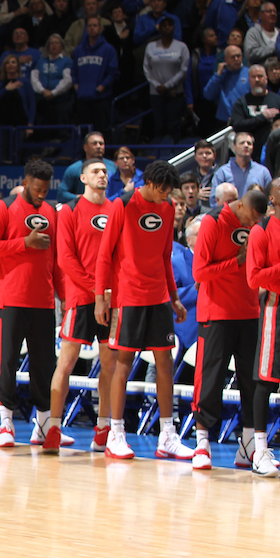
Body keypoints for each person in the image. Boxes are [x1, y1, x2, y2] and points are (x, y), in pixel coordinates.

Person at [94, 160, 192, 461]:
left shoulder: (166, 209)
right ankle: (117, 434)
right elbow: (104, 254)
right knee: (123, 362)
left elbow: (165, 256)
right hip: (129, 296)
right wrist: (100, 298)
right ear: (148, 183)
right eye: (162, 190)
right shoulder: (123, 204)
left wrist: (174, 297)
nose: (166, 196)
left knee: (166, 360)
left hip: (159, 296)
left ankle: (167, 435)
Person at [0, 159, 59, 448]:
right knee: (8, 361)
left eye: (46, 190)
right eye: (37, 189)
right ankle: (6, 423)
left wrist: (64, 295)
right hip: (12, 299)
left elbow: (57, 259)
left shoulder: (51, 211)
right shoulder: (4, 208)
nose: (41, 195)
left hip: (45, 301)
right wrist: (24, 242)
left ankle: (43, 424)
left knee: (44, 365)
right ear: (25, 183)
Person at [190, 190, 266, 471]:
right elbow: (199, 273)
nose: (253, 223)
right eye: (250, 217)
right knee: (210, 380)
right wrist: (237, 261)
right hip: (216, 313)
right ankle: (202, 442)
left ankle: (248, 445)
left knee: (251, 382)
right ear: (240, 204)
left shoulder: (256, 225)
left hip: (250, 313)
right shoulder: (214, 221)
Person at [49, 158, 118, 453]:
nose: (102, 175)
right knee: (66, 362)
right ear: (83, 179)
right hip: (81, 298)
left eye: (104, 172)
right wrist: (95, 289)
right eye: (96, 172)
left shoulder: (116, 208)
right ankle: (53, 426)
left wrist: (108, 292)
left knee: (110, 365)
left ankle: (103, 428)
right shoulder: (70, 210)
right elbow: (65, 258)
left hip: (112, 299)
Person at [245, 176, 280, 476]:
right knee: (265, 381)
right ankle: (260, 452)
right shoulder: (261, 231)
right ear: (272, 199)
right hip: (278, 308)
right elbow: (254, 279)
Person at [73, 17, 119, 135]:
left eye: (95, 26)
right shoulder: (78, 50)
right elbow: (74, 72)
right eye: (90, 26)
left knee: (101, 131)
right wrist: (77, 86)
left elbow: (113, 72)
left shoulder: (108, 49)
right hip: (83, 97)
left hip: (101, 98)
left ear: (100, 28)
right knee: (84, 133)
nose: (92, 28)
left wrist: (101, 87)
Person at [209, 132, 271, 206]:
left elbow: (270, 199)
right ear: (234, 147)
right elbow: (214, 201)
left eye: (249, 143)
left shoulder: (263, 172)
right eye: (242, 143)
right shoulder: (222, 172)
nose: (246, 145)